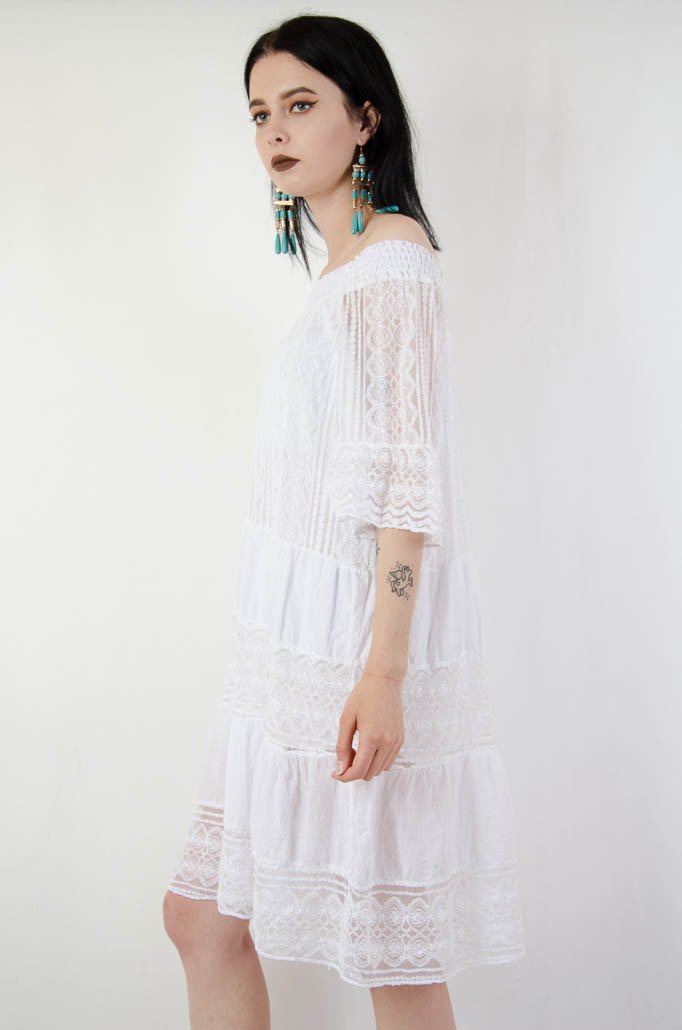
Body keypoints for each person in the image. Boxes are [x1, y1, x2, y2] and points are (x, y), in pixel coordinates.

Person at [162, 14, 526, 1030]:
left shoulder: (392, 265)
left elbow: (408, 489)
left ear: (365, 120)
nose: (274, 131)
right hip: (293, 647)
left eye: (301, 103)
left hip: (352, 647)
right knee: (202, 919)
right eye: (259, 113)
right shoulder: (349, 269)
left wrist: (385, 674)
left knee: (388, 955)